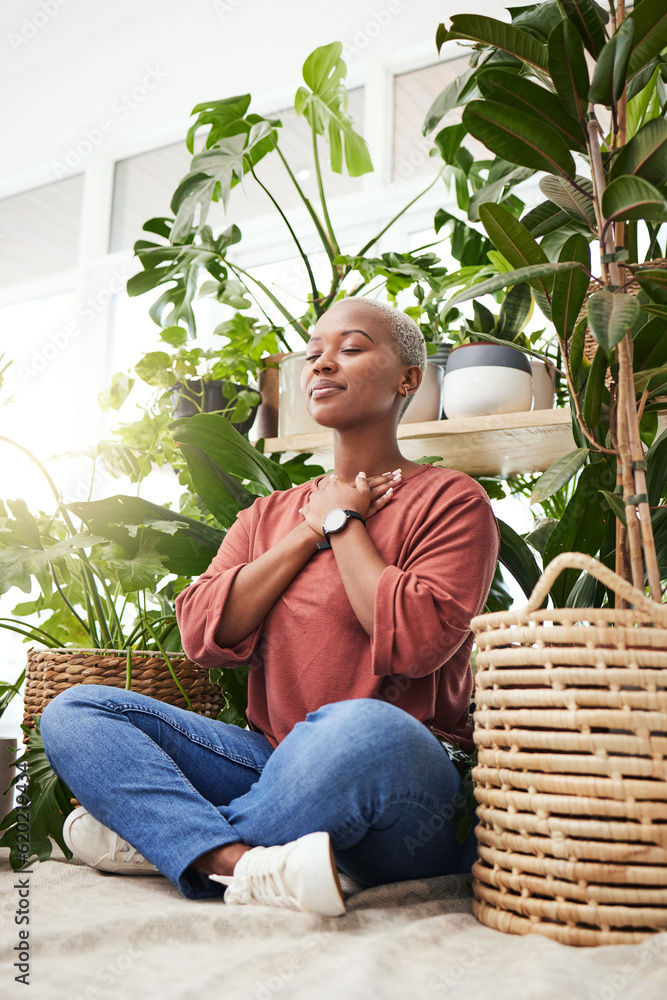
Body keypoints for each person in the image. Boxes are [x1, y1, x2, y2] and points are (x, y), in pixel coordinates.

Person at [40, 298, 499, 917]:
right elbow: (202, 632)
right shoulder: (268, 517)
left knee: (364, 728)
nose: (322, 364)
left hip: (399, 782)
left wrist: (343, 522)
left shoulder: (451, 500)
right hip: (270, 764)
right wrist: (307, 531)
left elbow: (416, 644)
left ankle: (168, 840)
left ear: (408, 379)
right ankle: (237, 864)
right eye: (313, 353)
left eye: (352, 348)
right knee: (78, 708)